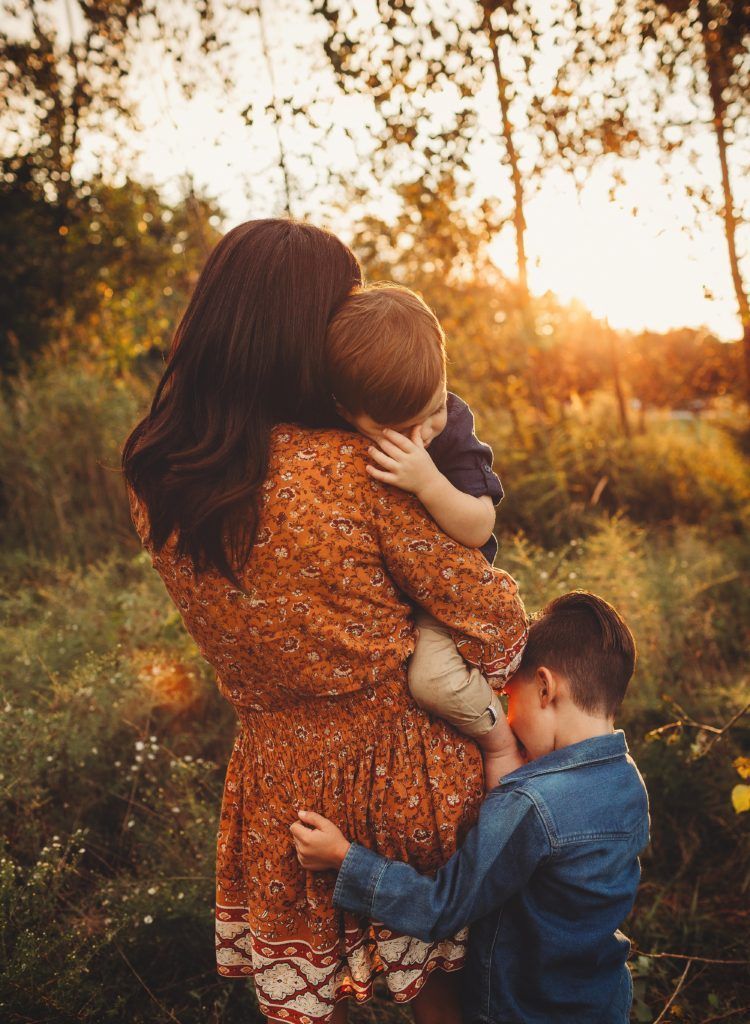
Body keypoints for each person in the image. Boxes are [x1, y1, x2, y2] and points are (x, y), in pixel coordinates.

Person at [122, 219, 528, 1024]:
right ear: (304, 335)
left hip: (278, 781)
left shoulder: (156, 477)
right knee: (445, 993)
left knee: (310, 1006)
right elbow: (493, 616)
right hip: (405, 766)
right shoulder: (349, 468)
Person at [291, 592, 651, 1024]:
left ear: (544, 686)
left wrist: (343, 858)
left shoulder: (530, 805)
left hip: (523, 1009)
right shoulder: (628, 779)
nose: (507, 718)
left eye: (508, 699)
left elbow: (441, 908)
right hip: (600, 1002)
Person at [326, 284, 517, 791]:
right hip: (385, 598)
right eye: (401, 428)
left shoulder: (452, 424)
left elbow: (480, 526)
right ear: (347, 414)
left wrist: (429, 481)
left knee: (430, 682)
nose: (424, 433)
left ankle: (499, 739)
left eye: (431, 409)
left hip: (447, 599)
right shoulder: (337, 433)